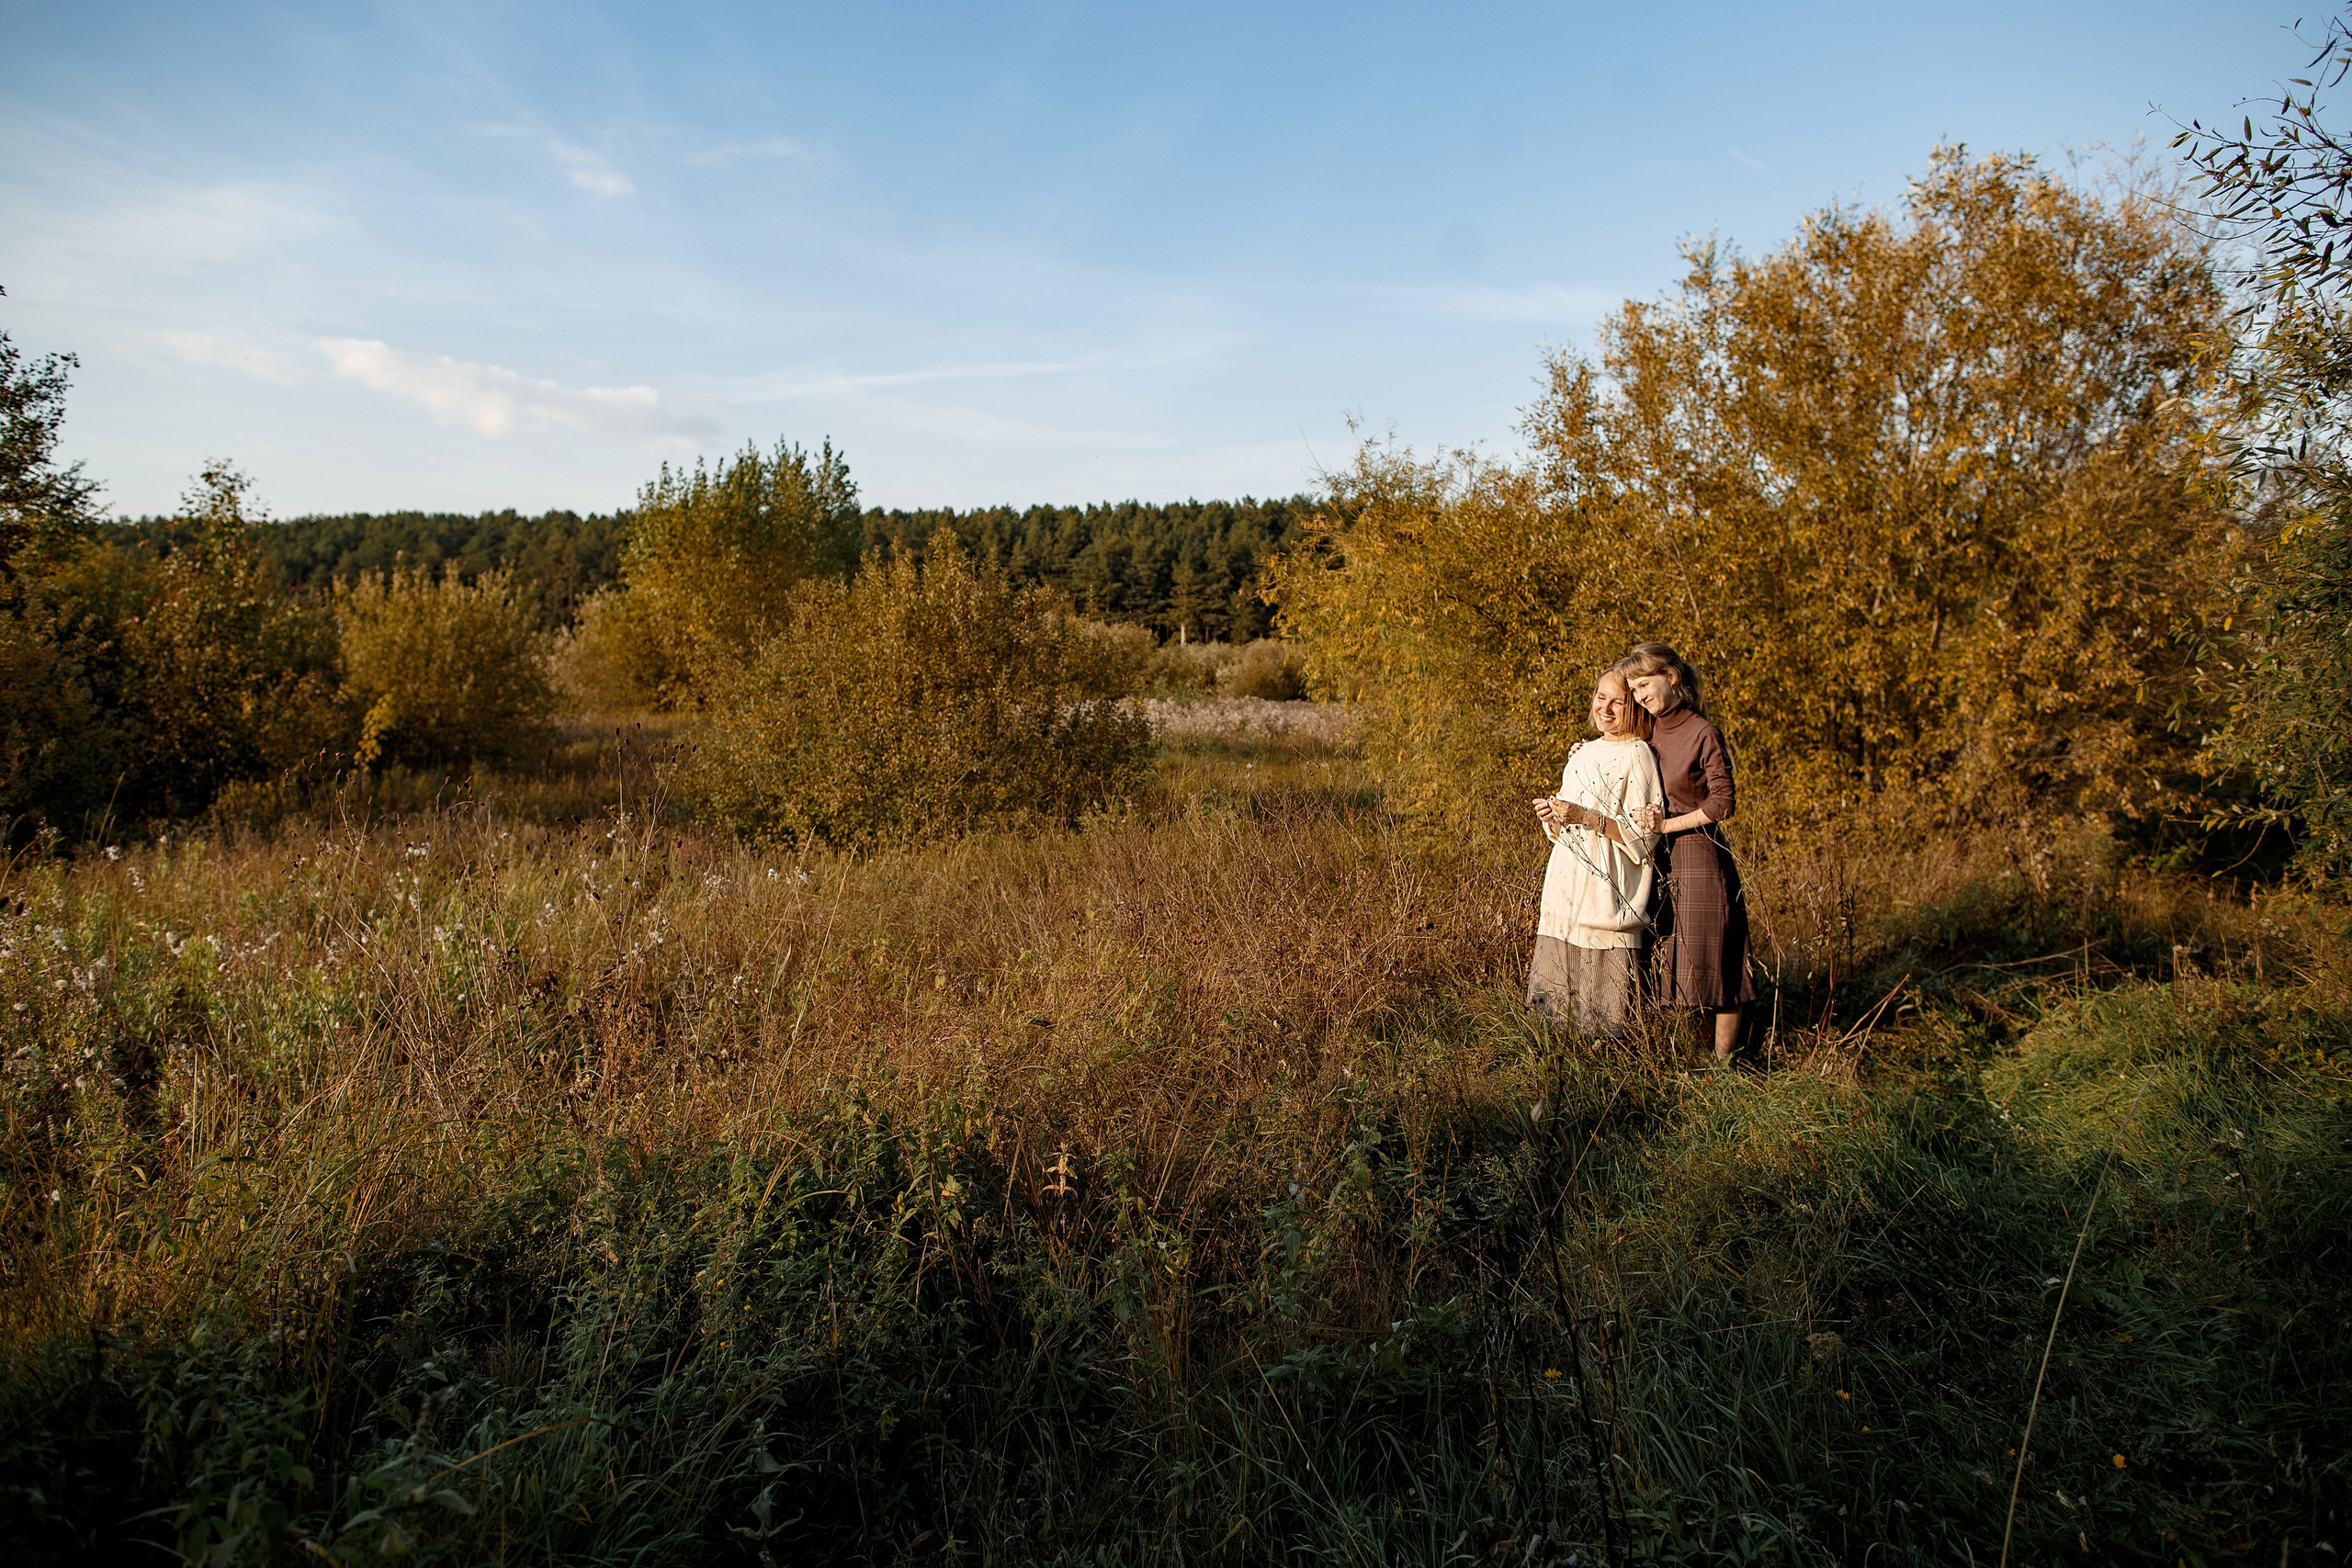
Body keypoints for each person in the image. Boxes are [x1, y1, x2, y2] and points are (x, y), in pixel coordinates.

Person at [1621, 642, 1753, 1061]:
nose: (1640, 695)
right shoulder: (1647, 730)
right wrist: (1583, 753)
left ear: (1671, 677)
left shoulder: (1702, 732)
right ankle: (1693, 1056)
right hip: (1656, 858)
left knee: (1716, 962)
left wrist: (1667, 824)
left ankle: (1723, 1068)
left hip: (1699, 855)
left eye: (1644, 684)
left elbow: (1723, 803)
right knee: (1673, 961)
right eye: (1634, 689)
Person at [1528, 669, 1664, 1036]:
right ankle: (1558, 1069)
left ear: (1632, 707)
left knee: (1600, 1022)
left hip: (1607, 898)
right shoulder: (1583, 753)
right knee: (1556, 1018)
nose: (1606, 708)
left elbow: (1644, 836)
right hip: (1566, 891)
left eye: (1617, 701)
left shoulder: (1638, 756)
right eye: (1601, 698)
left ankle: (1605, 1070)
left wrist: (1586, 816)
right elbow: (1565, 833)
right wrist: (1554, 819)